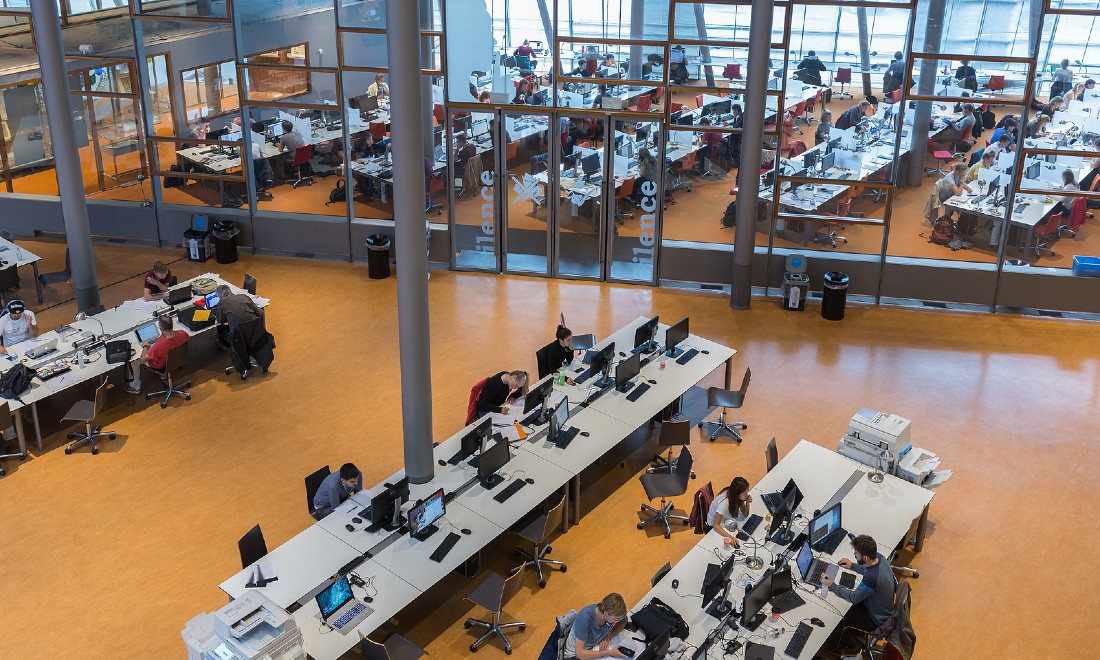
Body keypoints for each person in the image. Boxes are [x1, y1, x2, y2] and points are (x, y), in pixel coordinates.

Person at [821, 535, 896, 655]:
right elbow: (868, 569)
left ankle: (842, 647)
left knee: (839, 613)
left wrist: (832, 585)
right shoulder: (880, 558)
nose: (854, 556)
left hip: (876, 619)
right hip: (883, 608)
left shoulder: (872, 578)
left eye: (856, 554)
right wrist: (853, 566)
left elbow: (854, 598)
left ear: (865, 557)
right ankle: (856, 633)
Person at [127, 314, 189, 395]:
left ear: (161, 328)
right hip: (177, 359)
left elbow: (142, 360)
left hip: (161, 366)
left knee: (134, 361)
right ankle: (163, 376)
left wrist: (145, 346)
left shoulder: (158, 346)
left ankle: (135, 387)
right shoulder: (183, 333)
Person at [564, 593, 629, 659]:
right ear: (606, 613)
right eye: (616, 619)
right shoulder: (585, 618)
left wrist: (607, 637)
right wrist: (610, 652)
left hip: (593, 648)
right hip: (574, 655)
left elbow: (624, 620)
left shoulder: (610, 612)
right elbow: (580, 654)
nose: (617, 621)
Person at [708, 476, 751, 548]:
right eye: (745, 494)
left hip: (726, 519)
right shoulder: (725, 502)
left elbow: (745, 514)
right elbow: (715, 525)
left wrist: (747, 502)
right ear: (738, 493)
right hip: (714, 526)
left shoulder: (736, 497)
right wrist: (730, 538)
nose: (747, 495)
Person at [923, 162, 970, 227]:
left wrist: (968, 188)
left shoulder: (957, 175)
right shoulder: (949, 179)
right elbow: (958, 192)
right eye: (963, 174)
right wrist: (962, 181)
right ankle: (958, 225)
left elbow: (960, 182)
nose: (964, 175)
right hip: (945, 199)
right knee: (965, 207)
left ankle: (961, 224)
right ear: (957, 171)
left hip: (952, 196)